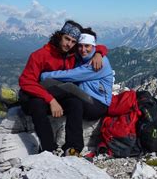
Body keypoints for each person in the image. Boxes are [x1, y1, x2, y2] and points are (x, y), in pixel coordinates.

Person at [16, 20, 108, 156]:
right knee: (38, 103)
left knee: (75, 103)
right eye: (66, 39)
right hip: (35, 98)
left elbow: (92, 45)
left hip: (55, 96)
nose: (69, 44)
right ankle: (48, 148)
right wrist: (51, 100)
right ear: (60, 36)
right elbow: (25, 81)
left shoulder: (71, 54)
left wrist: (99, 52)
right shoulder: (39, 55)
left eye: (73, 41)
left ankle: (73, 148)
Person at [40, 27, 113, 124]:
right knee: (53, 83)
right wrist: (99, 51)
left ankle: (35, 96)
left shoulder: (98, 63)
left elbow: (72, 74)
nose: (83, 50)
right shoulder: (82, 57)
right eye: (80, 46)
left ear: (93, 46)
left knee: (69, 87)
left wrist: (46, 75)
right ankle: (35, 93)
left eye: (87, 46)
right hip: (83, 98)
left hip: (97, 105)